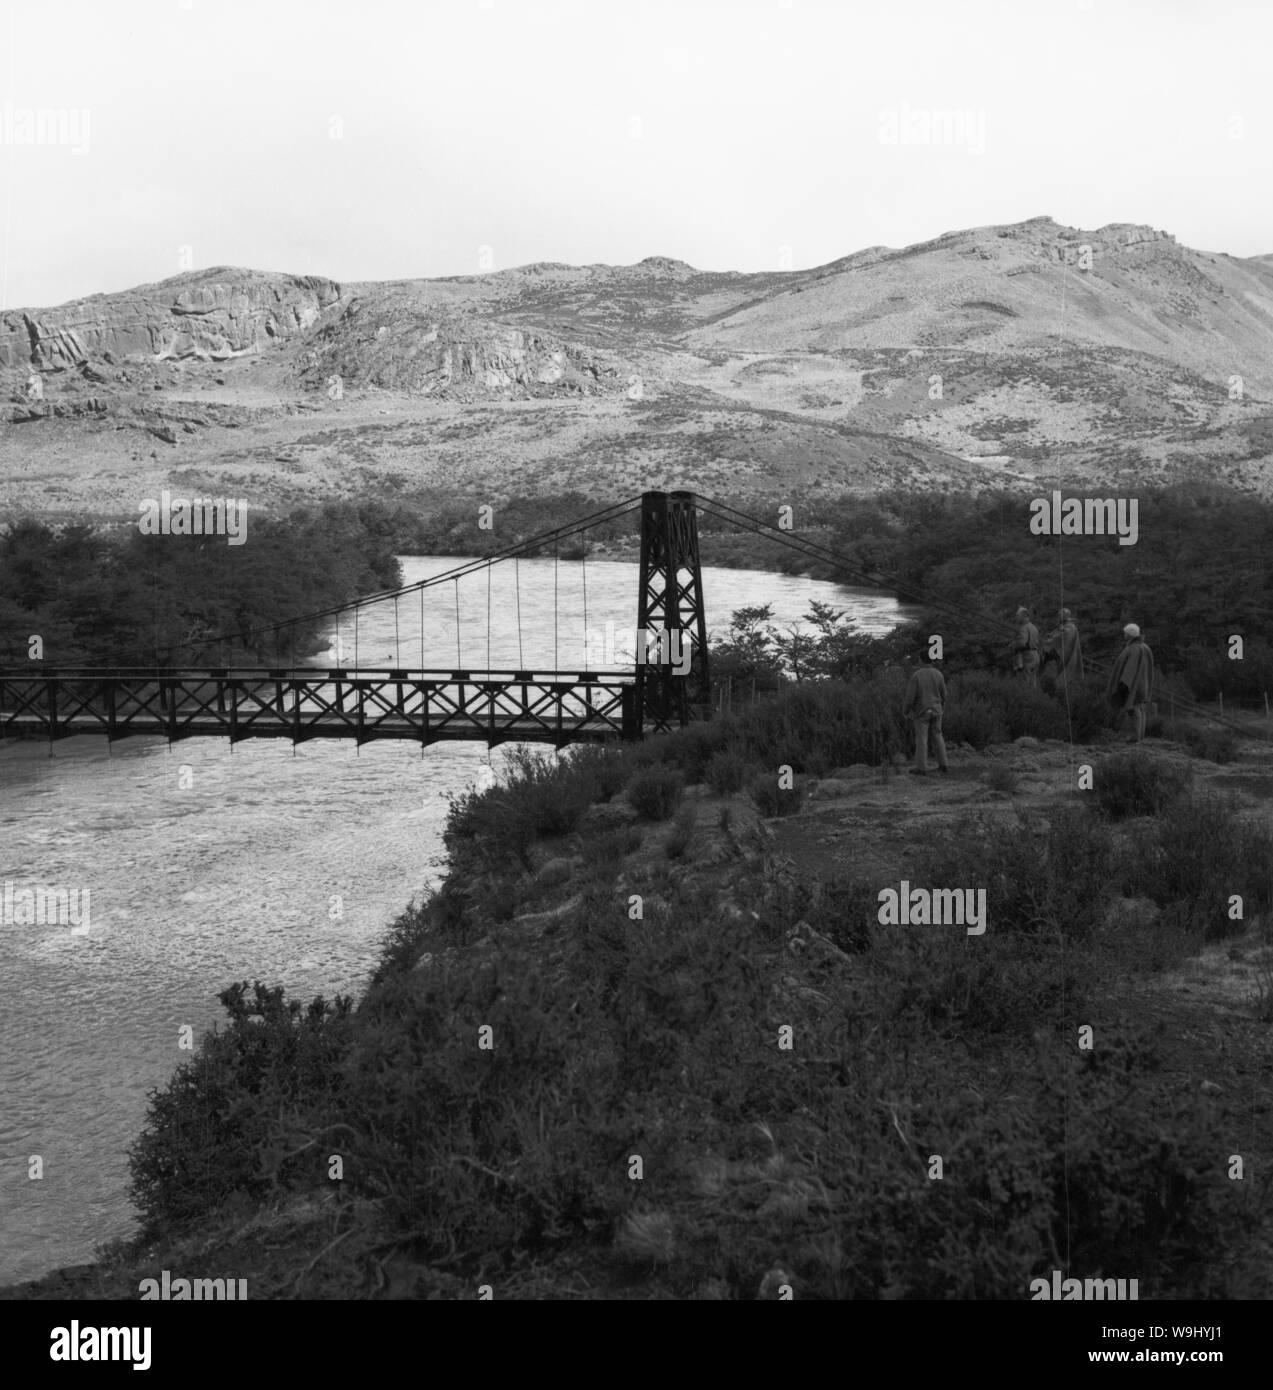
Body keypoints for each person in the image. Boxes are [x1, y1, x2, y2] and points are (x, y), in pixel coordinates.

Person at [902, 653, 950, 776]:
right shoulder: (938, 674)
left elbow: (910, 697)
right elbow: (944, 694)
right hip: (937, 710)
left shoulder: (916, 676)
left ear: (920, 660)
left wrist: (906, 710)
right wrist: (941, 706)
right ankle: (944, 764)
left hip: (922, 712)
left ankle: (921, 768)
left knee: (922, 740)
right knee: (938, 737)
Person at [1107, 623, 1155, 742]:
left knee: (1133, 709)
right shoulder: (1145, 647)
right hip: (1144, 684)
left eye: (1125, 633)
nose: (1124, 635)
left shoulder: (1134, 648)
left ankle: (1135, 738)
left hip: (1135, 685)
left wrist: (1123, 684)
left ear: (1129, 635)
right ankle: (1140, 737)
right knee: (1140, 708)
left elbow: (1130, 669)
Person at [1042, 608, 1083, 696]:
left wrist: (1050, 640)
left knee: (1066, 677)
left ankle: (1064, 696)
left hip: (1069, 656)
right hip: (1062, 657)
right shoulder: (1064, 626)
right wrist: (1051, 635)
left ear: (1065, 616)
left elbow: (1062, 637)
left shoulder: (1070, 627)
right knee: (1062, 675)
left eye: (1059, 615)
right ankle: (1062, 695)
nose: (1058, 617)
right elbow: (1057, 633)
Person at [1011, 607, 1041, 686]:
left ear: (1023, 616)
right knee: (1033, 682)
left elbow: (1022, 643)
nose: (1018, 618)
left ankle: (1025, 697)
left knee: (1025, 682)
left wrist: (1013, 644)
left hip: (1027, 656)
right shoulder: (1034, 628)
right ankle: (1033, 697)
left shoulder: (1023, 628)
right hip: (1036, 656)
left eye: (1019, 616)